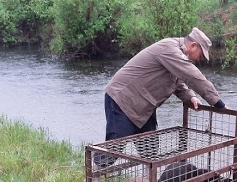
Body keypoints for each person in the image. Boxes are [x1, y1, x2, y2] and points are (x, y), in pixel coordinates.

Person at [93, 27, 227, 168]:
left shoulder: (177, 54)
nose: (199, 59)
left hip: (143, 105)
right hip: (122, 99)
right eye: (201, 55)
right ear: (193, 45)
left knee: (150, 152)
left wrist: (190, 97)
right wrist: (218, 103)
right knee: (114, 149)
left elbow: (178, 82)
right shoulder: (169, 48)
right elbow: (192, 75)